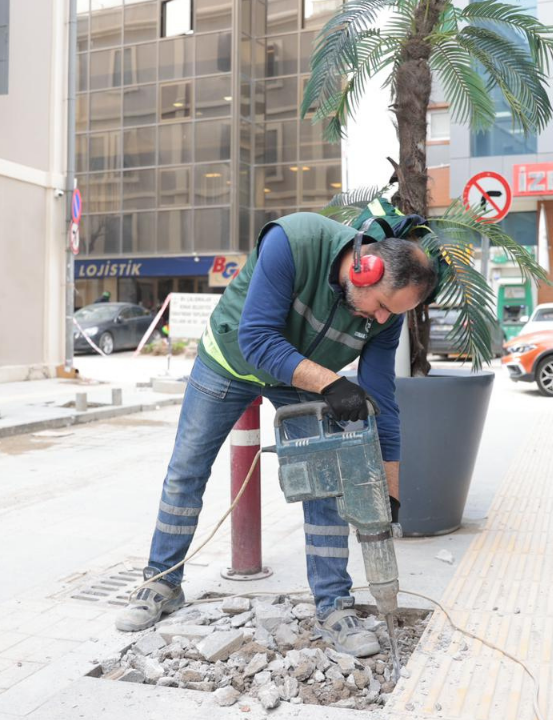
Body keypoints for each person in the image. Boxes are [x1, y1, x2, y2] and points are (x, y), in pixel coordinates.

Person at [114, 211, 438, 658]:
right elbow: (258, 339)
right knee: (186, 470)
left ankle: (334, 606)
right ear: (365, 269)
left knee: (325, 481)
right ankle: (161, 583)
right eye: (381, 305)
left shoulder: (387, 316)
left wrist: (390, 490)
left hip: (302, 376)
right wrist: (332, 384)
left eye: (391, 312)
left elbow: (382, 402)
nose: (382, 317)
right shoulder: (294, 241)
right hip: (230, 361)